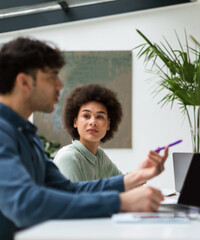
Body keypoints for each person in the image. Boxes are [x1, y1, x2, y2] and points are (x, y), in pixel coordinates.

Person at [0, 37, 168, 240]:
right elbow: (25, 203)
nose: (60, 85)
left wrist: (136, 176)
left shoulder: (26, 135)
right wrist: (121, 202)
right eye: (52, 76)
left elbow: (68, 189)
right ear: (24, 82)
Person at [54, 84, 124, 181]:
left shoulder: (99, 155)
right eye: (86, 116)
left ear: (108, 124)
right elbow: (76, 196)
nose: (93, 122)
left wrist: (144, 170)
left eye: (100, 117)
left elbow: (123, 183)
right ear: (75, 122)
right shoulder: (68, 158)